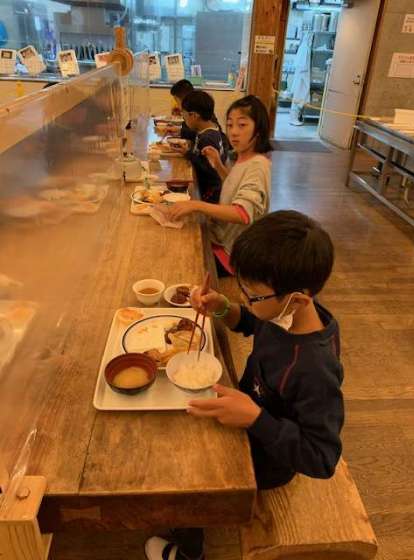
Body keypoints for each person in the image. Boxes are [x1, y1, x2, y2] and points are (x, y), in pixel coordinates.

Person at [144, 209, 345, 560]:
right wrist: (222, 307)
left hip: (266, 459)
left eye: (252, 294)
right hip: (247, 419)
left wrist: (256, 418)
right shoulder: (286, 314)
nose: (245, 297)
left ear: (297, 299)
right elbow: (254, 322)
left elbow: (322, 458)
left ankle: (190, 550)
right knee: (172, 428)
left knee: (186, 468)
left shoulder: (314, 370)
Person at [166, 95, 271, 276]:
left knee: (178, 258)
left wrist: (196, 205)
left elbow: (243, 214)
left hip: (231, 252)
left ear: (259, 129)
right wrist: (218, 165)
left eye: (242, 125)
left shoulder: (258, 166)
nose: (234, 132)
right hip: (220, 237)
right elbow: (235, 184)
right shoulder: (244, 158)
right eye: (230, 125)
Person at [174, 90, 227, 203]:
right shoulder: (210, 129)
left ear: (194, 116)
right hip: (209, 187)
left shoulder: (207, 138)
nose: (184, 120)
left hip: (210, 191)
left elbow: (209, 169)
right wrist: (187, 151)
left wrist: (188, 154)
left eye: (184, 116)